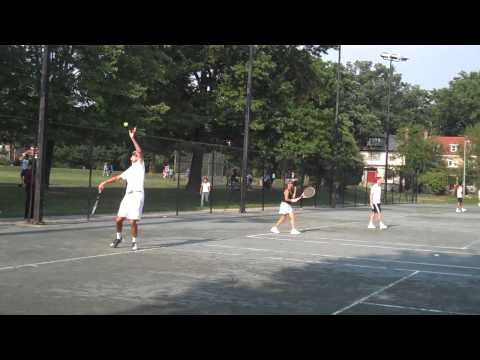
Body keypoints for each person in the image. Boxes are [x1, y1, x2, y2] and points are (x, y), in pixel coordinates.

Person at [98, 127, 144, 251]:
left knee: (132, 221)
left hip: (137, 195)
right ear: (131, 158)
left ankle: (134, 242)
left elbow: (139, 151)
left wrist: (132, 138)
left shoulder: (140, 165)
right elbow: (117, 178)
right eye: (133, 154)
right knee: (118, 219)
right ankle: (119, 238)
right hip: (128, 196)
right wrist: (104, 182)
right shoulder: (129, 170)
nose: (135, 155)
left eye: (136, 154)